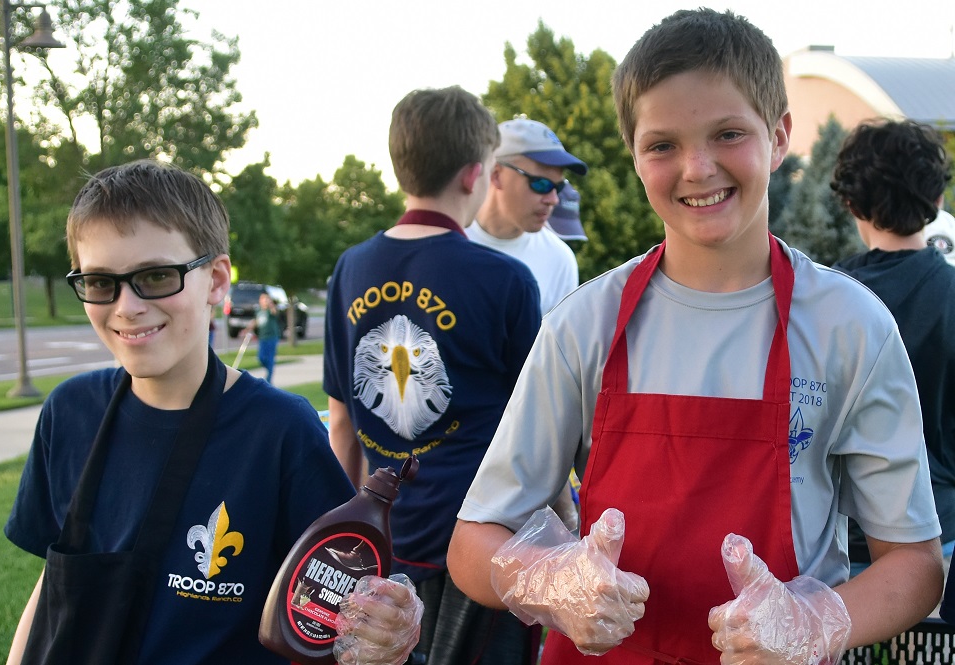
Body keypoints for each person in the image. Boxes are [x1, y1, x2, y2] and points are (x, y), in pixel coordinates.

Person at [447, 8, 943, 665]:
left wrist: (815, 621)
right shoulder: (583, 324)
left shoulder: (851, 327)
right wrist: (546, 580)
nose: (697, 168)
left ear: (779, 135)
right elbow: (473, 542)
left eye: (728, 133)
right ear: (634, 155)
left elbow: (914, 563)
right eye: (663, 145)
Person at [3, 160, 422, 665]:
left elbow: (348, 619)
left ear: (217, 280)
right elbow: (52, 583)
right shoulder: (69, 412)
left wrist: (384, 633)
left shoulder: (278, 433)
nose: (126, 306)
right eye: (99, 282)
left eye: (156, 276)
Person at [323, 86, 542, 665]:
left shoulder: (350, 268)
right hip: (481, 544)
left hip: (383, 540)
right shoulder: (505, 280)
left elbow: (341, 424)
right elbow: (541, 427)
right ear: (475, 174)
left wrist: (344, 539)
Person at [829, 119, 955, 578]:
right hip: (938, 537)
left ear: (849, 201)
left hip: (838, 539)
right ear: (936, 201)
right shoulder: (950, 292)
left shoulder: (823, 299)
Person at [466, 117, 588, 315]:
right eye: (541, 184)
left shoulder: (559, 260)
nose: (553, 199)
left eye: (559, 187)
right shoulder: (445, 240)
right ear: (496, 175)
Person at [244, 291, 281, 382]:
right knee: (261, 358)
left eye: (266, 299)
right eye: (263, 299)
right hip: (262, 337)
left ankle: (269, 379)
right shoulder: (259, 311)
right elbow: (255, 322)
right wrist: (247, 329)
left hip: (272, 337)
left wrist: (271, 305)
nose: (265, 301)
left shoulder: (270, 311)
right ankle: (269, 369)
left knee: (270, 357)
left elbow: (275, 313)